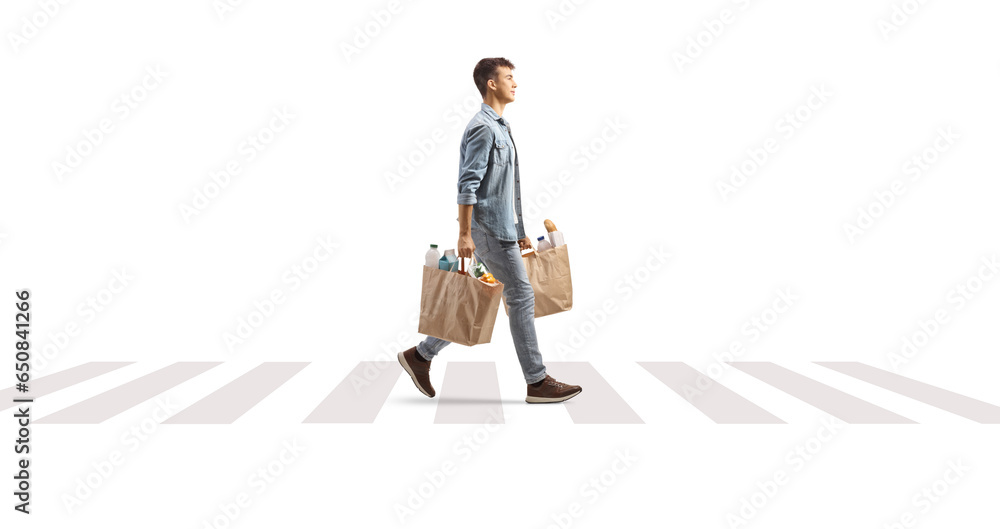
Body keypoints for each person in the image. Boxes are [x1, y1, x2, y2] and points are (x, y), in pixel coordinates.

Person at [398, 57, 582, 404]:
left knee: (488, 296)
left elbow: (503, 186)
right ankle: (537, 381)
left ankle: (420, 355)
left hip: (501, 228)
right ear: (491, 84)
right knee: (522, 295)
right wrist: (464, 234)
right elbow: (468, 185)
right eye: (509, 77)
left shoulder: (501, 126)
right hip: (485, 230)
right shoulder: (483, 127)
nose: (516, 83)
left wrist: (519, 230)